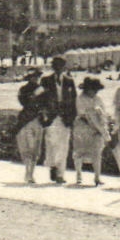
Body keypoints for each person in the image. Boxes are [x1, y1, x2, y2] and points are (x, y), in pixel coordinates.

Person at [41, 56, 76, 184]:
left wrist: (72, 118)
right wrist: (43, 115)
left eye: (61, 66)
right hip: (51, 117)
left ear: (64, 67)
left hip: (65, 117)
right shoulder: (45, 80)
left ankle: (60, 174)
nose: (58, 68)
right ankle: (53, 166)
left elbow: (74, 100)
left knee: (64, 146)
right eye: (56, 66)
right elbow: (40, 99)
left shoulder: (69, 81)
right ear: (53, 67)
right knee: (52, 143)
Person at [71, 76, 111, 186]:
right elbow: (82, 114)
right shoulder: (80, 99)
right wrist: (94, 122)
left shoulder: (98, 99)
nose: (94, 92)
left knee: (97, 153)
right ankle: (78, 175)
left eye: (96, 90)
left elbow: (103, 113)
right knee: (79, 152)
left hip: (96, 130)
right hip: (83, 127)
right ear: (86, 89)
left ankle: (97, 177)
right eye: (92, 89)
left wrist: (102, 124)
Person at [13, 68, 46, 183]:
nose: (36, 79)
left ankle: (29, 173)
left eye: (37, 77)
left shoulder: (24, 89)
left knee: (31, 149)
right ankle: (29, 173)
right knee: (32, 149)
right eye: (35, 77)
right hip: (32, 119)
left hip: (29, 119)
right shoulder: (41, 89)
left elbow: (24, 102)